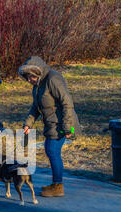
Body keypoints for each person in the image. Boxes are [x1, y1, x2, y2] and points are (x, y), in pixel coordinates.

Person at [19, 56, 81, 197]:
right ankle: (56, 184)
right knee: (51, 151)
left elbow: (67, 102)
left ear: (38, 72)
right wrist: (28, 123)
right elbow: (36, 106)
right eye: (27, 78)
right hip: (51, 123)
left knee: (52, 151)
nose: (29, 81)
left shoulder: (53, 79)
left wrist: (67, 127)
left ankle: (58, 186)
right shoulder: (38, 86)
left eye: (31, 77)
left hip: (62, 123)